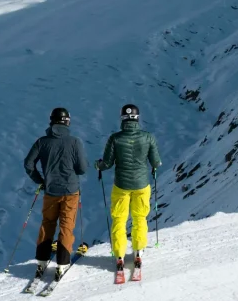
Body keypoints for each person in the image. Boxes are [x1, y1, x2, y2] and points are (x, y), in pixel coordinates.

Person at [96, 104, 162, 274]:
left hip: (121, 186)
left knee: (119, 219)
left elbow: (107, 164)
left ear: (122, 119)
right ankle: (138, 251)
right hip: (142, 185)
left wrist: (98, 165)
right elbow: (156, 162)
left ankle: (119, 255)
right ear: (137, 118)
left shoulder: (115, 138)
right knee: (140, 217)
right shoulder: (148, 137)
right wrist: (154, 167)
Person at [24, 107, 88, 280]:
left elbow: (29, 164)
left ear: (51, 121)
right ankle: (62, 263)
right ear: (68, 121)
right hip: (70, 191)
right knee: (66, 225)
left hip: (50, 191)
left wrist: (40, 181)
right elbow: (82, 169)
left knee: (48, 224)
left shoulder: (41, 142)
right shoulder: (75, 142)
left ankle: (42, 261)